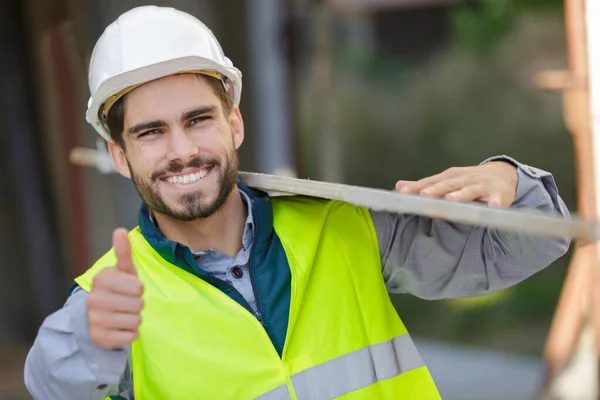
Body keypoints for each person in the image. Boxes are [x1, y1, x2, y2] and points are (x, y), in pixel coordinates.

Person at [24, 5, 571, 400]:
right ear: (119, 155)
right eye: (151, 133)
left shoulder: (342, 225)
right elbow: (51, 386)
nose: (183, 150)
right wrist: (87, 341)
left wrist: (510, 181)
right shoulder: (107, 306)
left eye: (198, 120)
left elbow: (531, 245)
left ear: (233, 123)